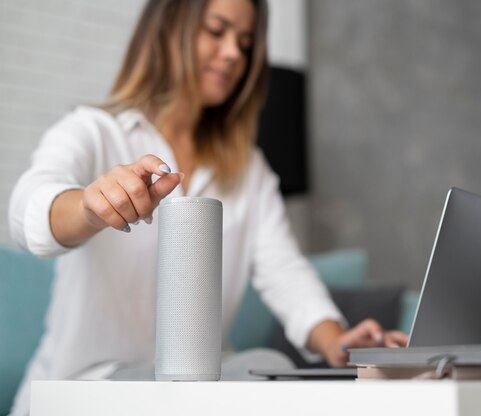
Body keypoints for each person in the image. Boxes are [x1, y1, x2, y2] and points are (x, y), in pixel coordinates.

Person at [8, 0, 407, 413]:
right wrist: (90, 208)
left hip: (192, 394)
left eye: (245, 42)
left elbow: (284, 271)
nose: (234, 53)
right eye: (217, 31)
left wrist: (338, 342)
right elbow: (27, 210)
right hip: (88, 389)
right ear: (168, 31)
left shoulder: (249, 169)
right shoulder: (94, 131)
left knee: (268, 367)